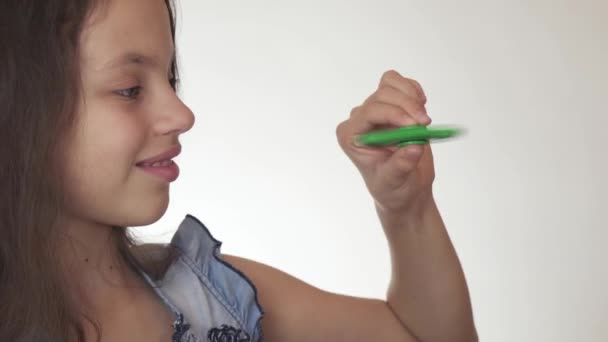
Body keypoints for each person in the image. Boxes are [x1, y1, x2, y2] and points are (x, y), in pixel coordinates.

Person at [0, 0, 478, 341]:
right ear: (16, 112)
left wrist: (405, 207)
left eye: (169, 78)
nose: (182, 115)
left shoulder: (219, 299)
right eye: (130, 88)